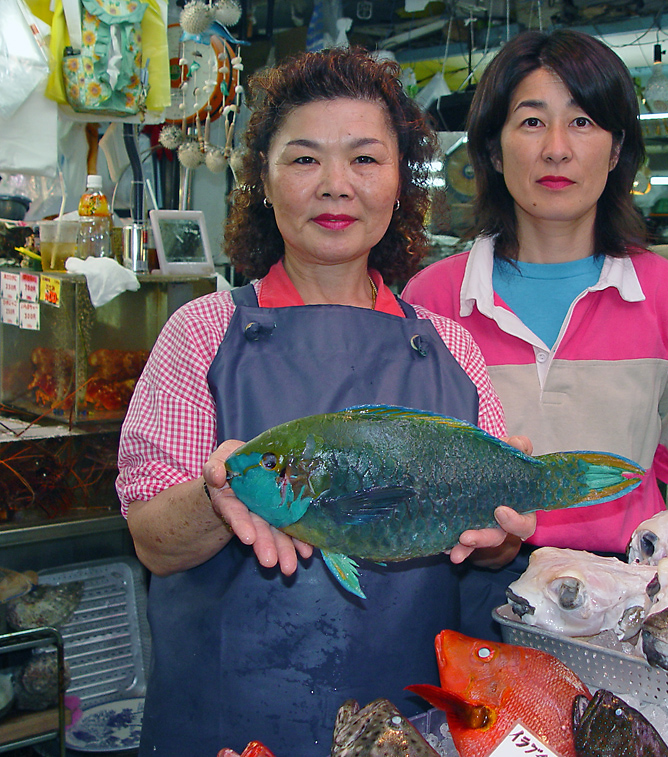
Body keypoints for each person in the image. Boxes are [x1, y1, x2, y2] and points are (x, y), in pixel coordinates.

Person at [116, 47, 524, 757]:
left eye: (365, 160)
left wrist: (504, 535)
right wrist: (217, 495)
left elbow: (495, 544)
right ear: (263, 183)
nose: (336, 186)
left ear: (400, 184)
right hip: (226, 727)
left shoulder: (452, 352)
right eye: (304, 160)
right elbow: (151, 539)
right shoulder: (202, 333)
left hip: (410, 725)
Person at [403, 29, 668, 556]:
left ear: (616, 149)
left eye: (582, 122)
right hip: (468, 579)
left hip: (623, 590)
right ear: (495, 151)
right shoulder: (433, 298)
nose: (556, 149)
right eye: (531, 122)